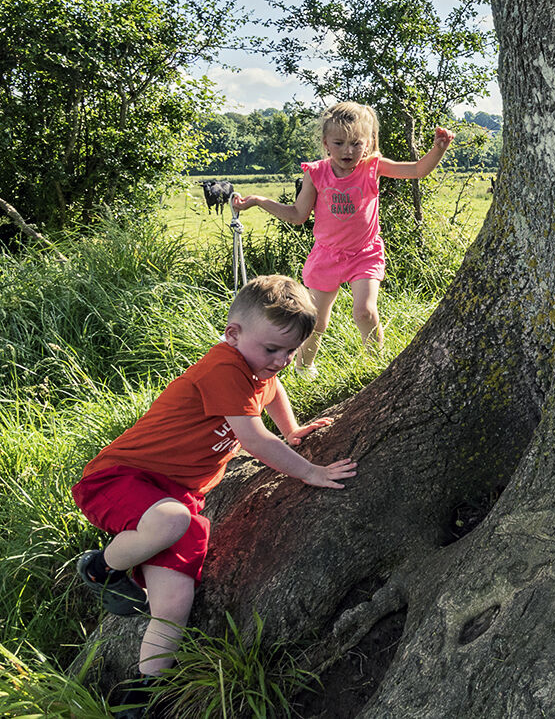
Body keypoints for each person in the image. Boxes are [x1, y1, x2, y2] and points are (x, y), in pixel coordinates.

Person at [71, 275, 357, 705]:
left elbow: (273, 391)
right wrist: (310, 472)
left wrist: (293, 428)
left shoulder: (257, 369)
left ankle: (140, 696)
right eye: (271, 349)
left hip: (178, 498)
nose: (280, 361)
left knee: (173, 602)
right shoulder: (226, 364)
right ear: (233, 334)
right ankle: (101, 569)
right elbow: (255, 441)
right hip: (124, 476)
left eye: (290, 351)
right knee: (172, 520)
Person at [232, 101, 454, 374]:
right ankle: (305, 368)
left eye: (356, 143)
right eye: (338, 143)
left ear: (369, 142)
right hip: (327, 255)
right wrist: (258, 200)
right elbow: (298, 215)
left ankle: (376, 366)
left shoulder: (373, 167)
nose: (348, 151)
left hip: (365, 253)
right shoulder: (316, 173)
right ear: (325, 142)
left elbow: (417, 170)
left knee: (364, 311)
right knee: (315, 321)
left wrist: (438, 149)